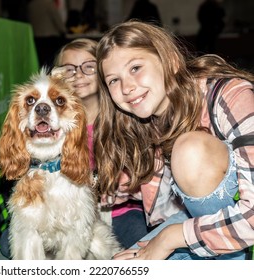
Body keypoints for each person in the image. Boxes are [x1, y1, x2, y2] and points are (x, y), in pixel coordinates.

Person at [94, 20, 254, 260]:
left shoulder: (229, 94)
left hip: (243, 223)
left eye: (135, 68)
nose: (126, 87)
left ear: (170, 61)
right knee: (122, 266)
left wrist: (170, 238)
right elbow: (117, 188)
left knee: (190, 149)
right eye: (113, 80)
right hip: (195, 221)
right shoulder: (140, 123)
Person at [52, 38, 149, 250]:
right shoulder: (54, 123)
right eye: (69, 70)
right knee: (10, 244)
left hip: (118, 208)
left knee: (141, 240)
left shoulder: (123, 116)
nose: (78, 75)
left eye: (88, 67)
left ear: (104, 71)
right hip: (69, 211)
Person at [27, 0, 67, 68]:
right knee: (51, 63)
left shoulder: (31, 5)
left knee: (40, 63)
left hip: (36, 37)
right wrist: (63, 30)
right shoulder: (48, 3)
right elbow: (56, 18)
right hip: (50, 37)